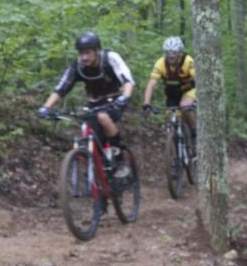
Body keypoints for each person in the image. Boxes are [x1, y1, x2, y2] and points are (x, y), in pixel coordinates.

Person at [38, 31, 135, 177]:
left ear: (97, 51)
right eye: (81, 53)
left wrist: (125, 97)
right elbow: (62, 87)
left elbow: (127, 80)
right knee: (88, 132)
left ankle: (119, 159)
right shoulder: (78, 65)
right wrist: (46, 107)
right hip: (94, 104)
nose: (84, 57)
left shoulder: (110, 58)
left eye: (88, 53)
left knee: (103, 117)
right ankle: (97, 172)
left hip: (114, 101)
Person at [142, 36, 196, 136]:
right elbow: (151, 84)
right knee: (170, 121)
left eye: (174, 52)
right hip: (172, 94)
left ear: (180, 52)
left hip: (189, 90)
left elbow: (198, 78)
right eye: (168, 52)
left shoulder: (188, 61)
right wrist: (146, 103)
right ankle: (172, 145)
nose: (171, 56)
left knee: (184, 106)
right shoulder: (160, 63)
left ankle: (194, 132)